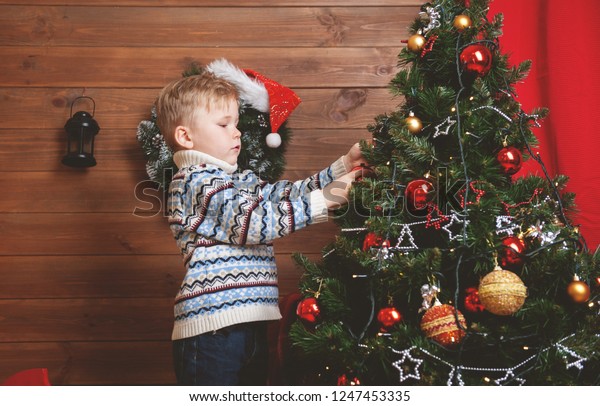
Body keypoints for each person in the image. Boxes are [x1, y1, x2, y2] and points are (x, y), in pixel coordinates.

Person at [155, 65, 368, 385]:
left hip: (249, 323)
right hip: (213, 330)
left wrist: (342, 168)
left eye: (236, 124)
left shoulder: (236, 180)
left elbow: (283, 195)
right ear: (185, 136)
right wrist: (328, 198)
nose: (237, 132)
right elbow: (254, 223)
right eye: (224, 124)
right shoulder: (194, 182)